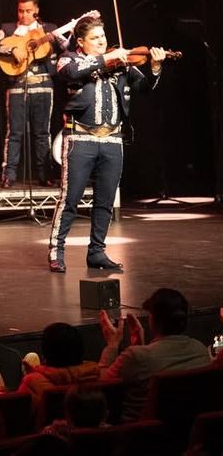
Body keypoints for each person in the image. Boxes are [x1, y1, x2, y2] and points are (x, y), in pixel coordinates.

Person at [47, 15, 165, 272]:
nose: (102, 41)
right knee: (70, 198)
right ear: (81, 41)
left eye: (103, 36)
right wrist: (107, 59)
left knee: (106, 200)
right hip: (80, 139)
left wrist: (155, 67)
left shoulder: (122, 64)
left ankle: (97, 252)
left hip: (113, 139)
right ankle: (57, 251)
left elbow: (144, 88)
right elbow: (72, 72)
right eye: (95, 38)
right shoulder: (70, 58)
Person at [97, 287, 211, 422]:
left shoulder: (137, 356)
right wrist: (140, 347)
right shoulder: (200, 350)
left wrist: (112, 345)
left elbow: (103, 385)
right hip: (186, 433)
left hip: (138, 437)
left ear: (153, 320)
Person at [0, 0, 63, 188]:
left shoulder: (49, 29)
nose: (23, 15)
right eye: (20, 11)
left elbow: (67, 46)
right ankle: (9, 175)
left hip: (43, 85)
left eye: (28, 11)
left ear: (36, 11)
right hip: (17, 85)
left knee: (42, 133)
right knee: (14, 132)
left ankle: (45, 174)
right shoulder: (9, 29)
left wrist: (60, 36)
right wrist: (11, 50)